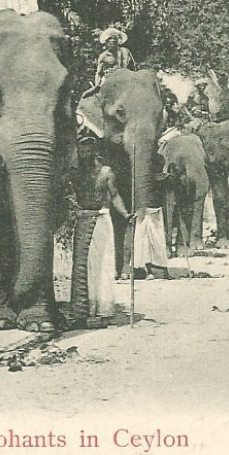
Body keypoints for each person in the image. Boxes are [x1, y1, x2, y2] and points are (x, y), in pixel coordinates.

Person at [70, 135, 131, 327]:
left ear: (94, 150)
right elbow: (69, 195)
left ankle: (103, 309)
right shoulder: (76, 173)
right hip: (83, 220)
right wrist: (74, 209)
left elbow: (114, 196)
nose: (84, 153)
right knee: (82, 265)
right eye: (81, 149)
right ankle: (82, 310)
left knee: (103, 263)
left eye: (87, 149)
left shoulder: (105, 173)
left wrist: (125, 214)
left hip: (102, 220)